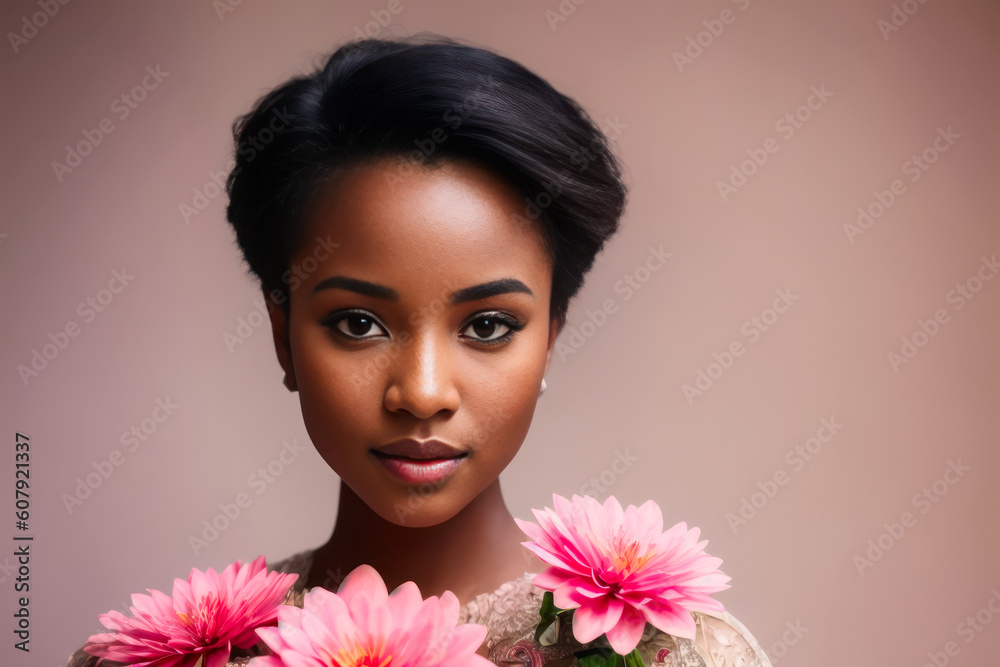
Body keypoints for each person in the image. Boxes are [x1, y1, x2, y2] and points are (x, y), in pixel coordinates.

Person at [66, 34, 771, 667]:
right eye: (359, 324)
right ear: (283, 337)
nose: (424, 390)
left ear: (550, 338)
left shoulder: (672, 656)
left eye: (489, 325)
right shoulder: (174, 659)